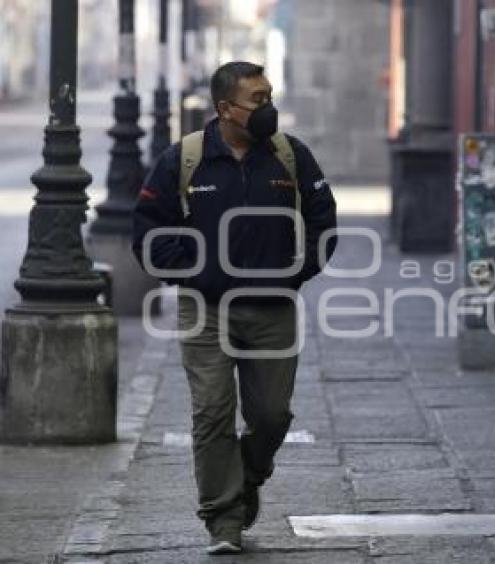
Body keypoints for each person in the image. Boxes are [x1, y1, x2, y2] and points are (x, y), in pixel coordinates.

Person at [132, 61, 338, 555]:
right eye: (258, 99)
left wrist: (296, 271)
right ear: (225, 108)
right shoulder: (184, 160)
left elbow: (323, 220)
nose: (269, 107)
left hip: (273, 311)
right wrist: (196, 275)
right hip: (207, 310)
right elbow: (147, 233)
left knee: (270, 416)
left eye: (270, 96)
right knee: (211, 413)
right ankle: (224, 520)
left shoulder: (290, 155)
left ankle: (247, 477)